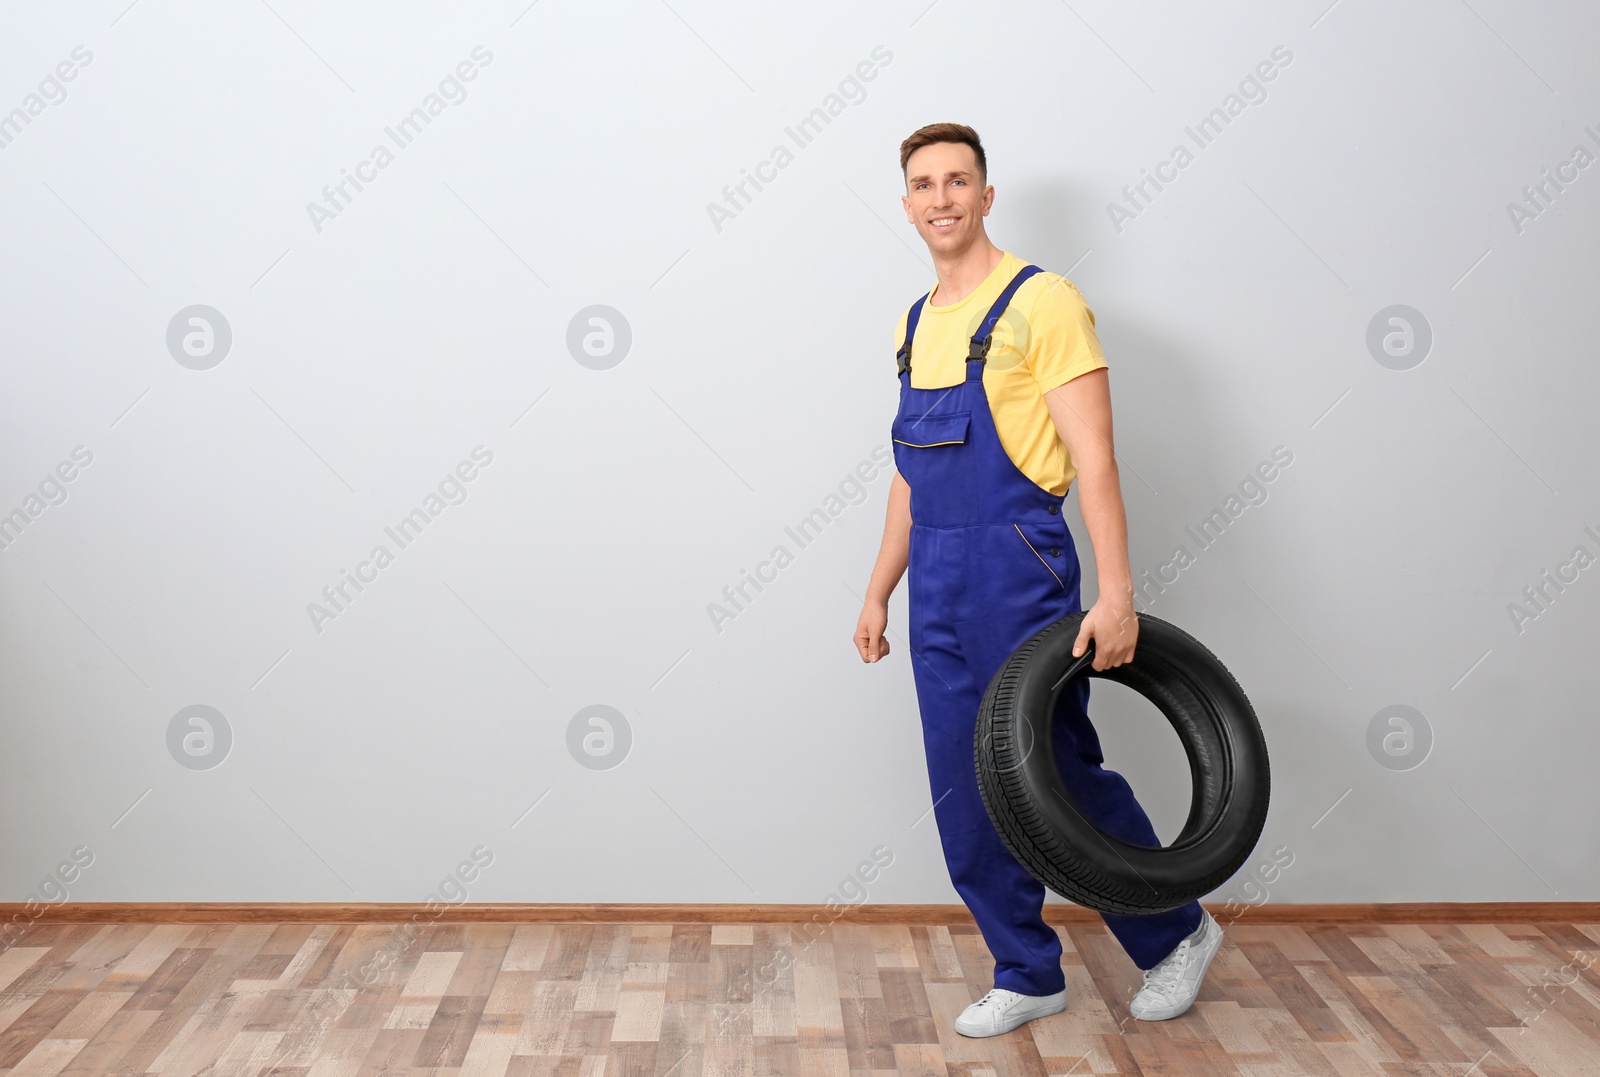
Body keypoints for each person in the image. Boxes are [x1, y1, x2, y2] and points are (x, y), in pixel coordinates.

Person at [853, 123, 1224, 1038]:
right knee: (960, 779)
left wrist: (1116, 589)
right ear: (905, 204)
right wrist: (878, 587)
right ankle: (1025, 967)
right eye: (923, 184)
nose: (940, 198)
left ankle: (1175, 931)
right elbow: (910, 469)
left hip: (1017, 558)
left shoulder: (1044, 301)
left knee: (1047, 762)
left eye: (958, 181)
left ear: (986, 196)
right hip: (936, 569)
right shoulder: (914, 321)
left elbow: (1095, 457)